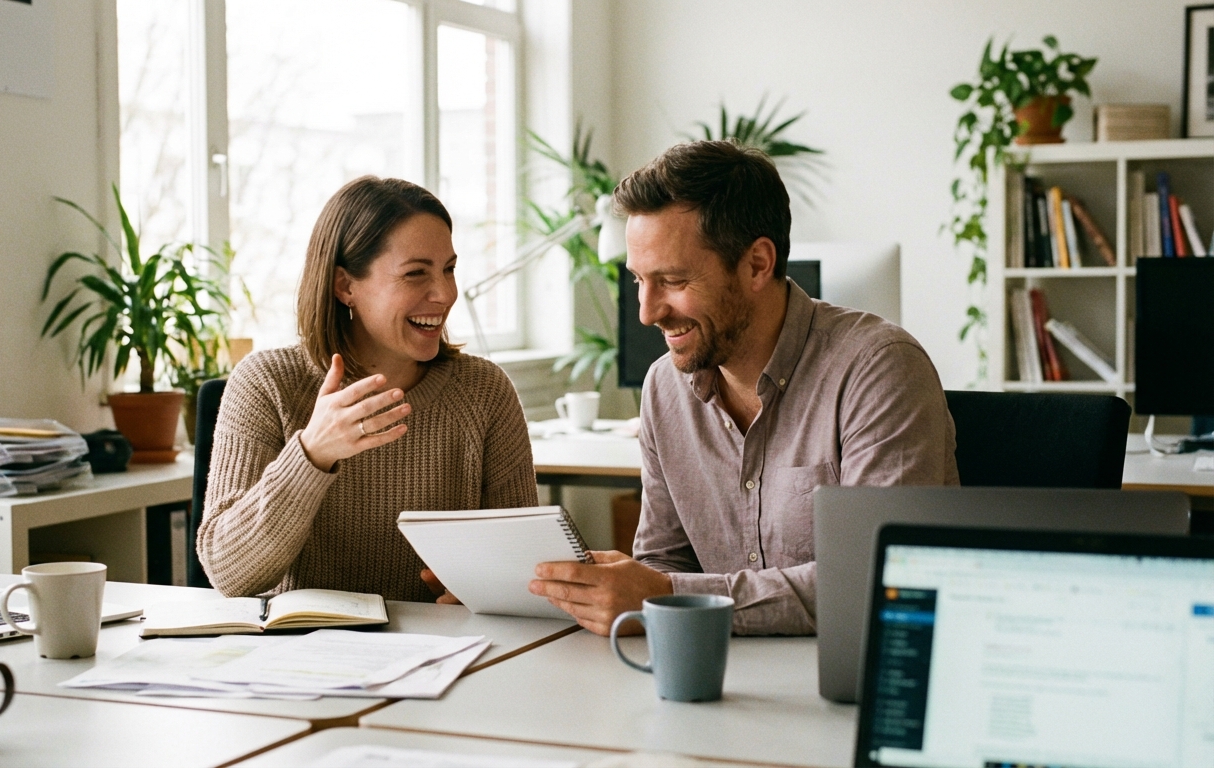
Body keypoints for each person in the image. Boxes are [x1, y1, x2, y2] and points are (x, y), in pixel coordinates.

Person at [528, 141, 958, 636]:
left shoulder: (879, 370)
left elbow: (881, 579)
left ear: (757, 264)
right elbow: (664, 563)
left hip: (845, 683)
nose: (647, 312)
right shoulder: (665, 388)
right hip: (715, 679)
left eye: (672, 280)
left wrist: (667, 598)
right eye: (638, 281)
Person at [197, 176, 539, 600]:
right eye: (416, 274)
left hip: (446, 651)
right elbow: (229, 574)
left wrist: (492, 590)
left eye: (449, 269)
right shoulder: (267, 383)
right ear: (346, 286)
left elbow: (524, 564)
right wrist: (312, 454)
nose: (445, 293)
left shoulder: (484, 392)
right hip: (301, 653)